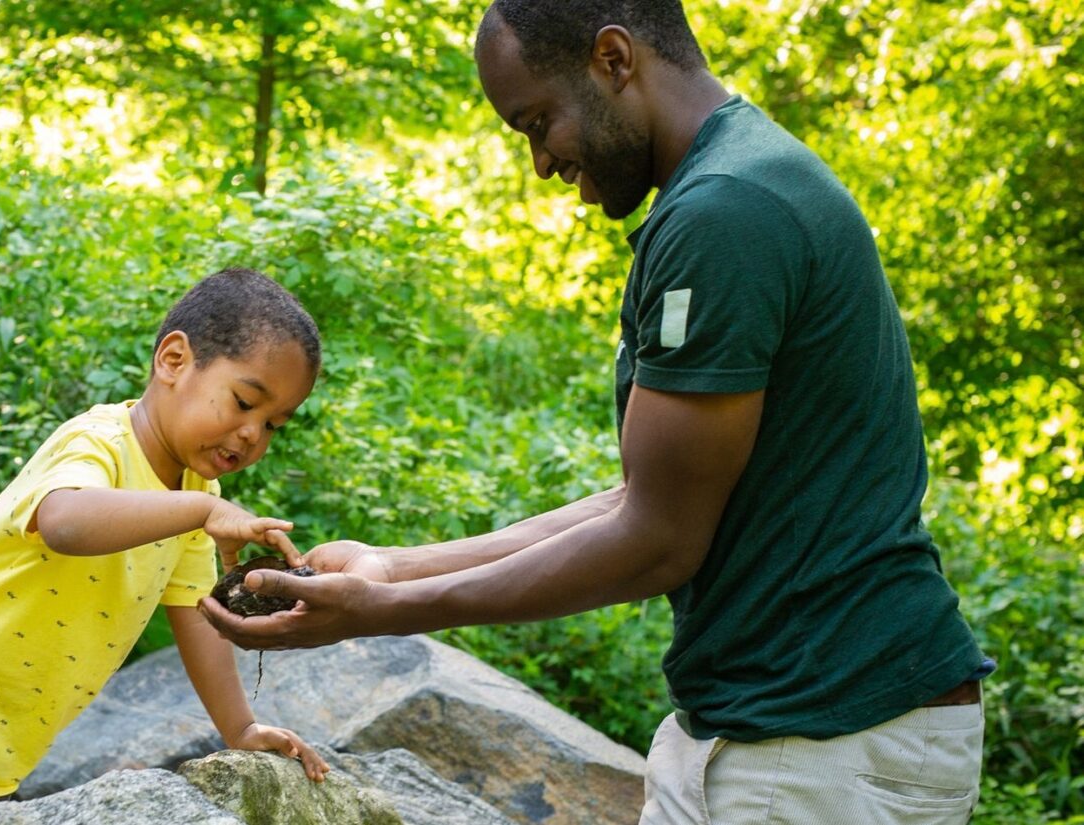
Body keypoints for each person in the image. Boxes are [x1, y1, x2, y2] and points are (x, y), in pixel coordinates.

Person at [198, 2, 990, 822]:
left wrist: (384, 613)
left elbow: (658, 542)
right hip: (773, 727)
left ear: (614, 60)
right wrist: (394, 566)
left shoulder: (726, 215)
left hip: (824, 736)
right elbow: (644, 499)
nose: (541, 163)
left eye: (539, 121)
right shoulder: (734, 186)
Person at [0, 268, 330, 825]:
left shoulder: (195, 493)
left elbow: (192, 609)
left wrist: (239, 728)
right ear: (173, 360)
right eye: (242, 402)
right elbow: (64, 521)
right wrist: (206, 512)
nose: (251, 434)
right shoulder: (101, 444)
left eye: (273, 425)